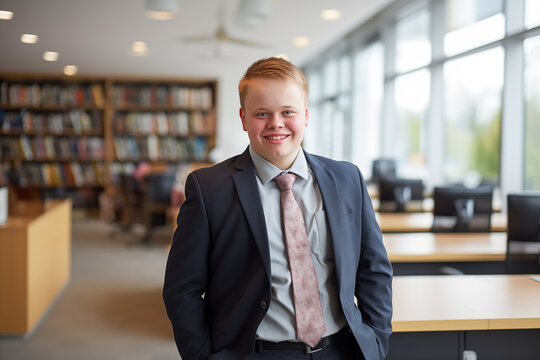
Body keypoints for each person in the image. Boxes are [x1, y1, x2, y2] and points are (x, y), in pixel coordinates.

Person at [163, 57, 393, 360]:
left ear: (306, 115)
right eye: (262, 113)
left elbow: (373, 268)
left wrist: (375, 341)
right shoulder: (209, 189)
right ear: (244, 119)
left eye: (288, 112)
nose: (276, 123)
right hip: (257, 352)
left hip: (340, 350)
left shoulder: (346, 179)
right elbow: (182, 289)